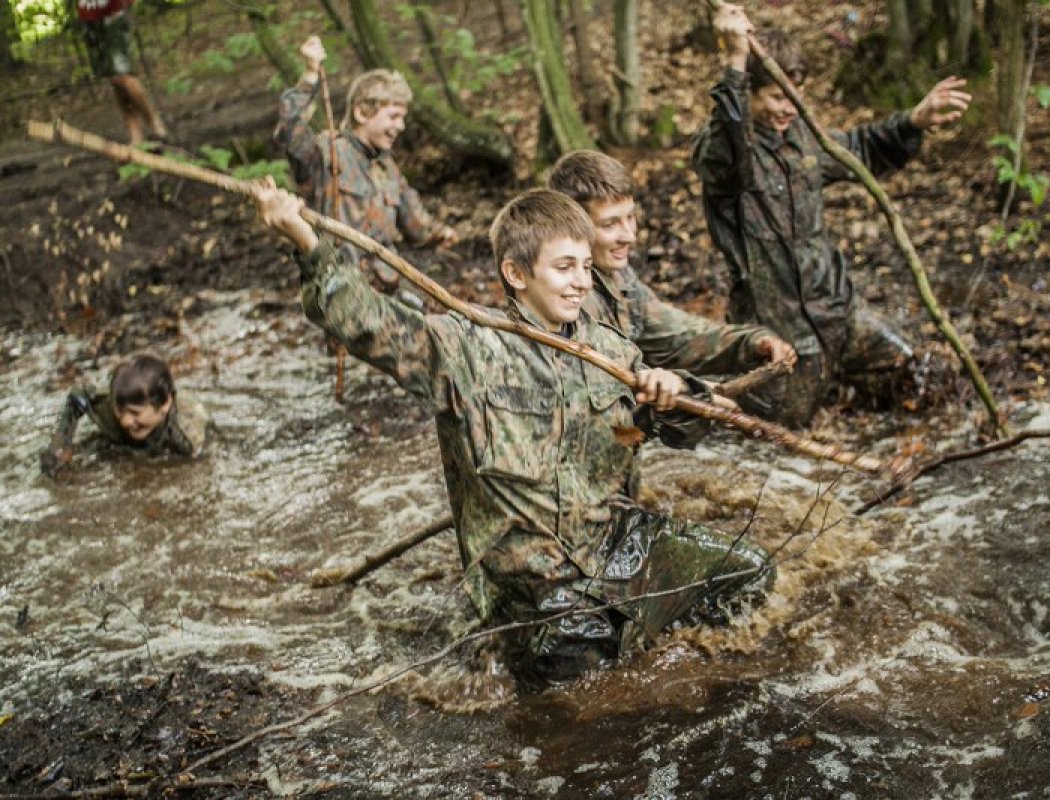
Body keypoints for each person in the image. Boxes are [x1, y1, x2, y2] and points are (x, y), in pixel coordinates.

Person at [253, 180, 771, 689]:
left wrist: (676, 391)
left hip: (618, 545)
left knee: (747, 574)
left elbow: (674, 432)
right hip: (534, 584)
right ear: (516, 273)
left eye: (587, 267)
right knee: (579, 681)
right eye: (565, 268)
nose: (582, 283)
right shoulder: (465, 349)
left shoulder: (612, 354)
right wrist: (306, 240)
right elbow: (365, 320)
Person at [692, 3, 972, 425]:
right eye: (774, 96)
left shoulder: (804, 140)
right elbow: (727, 146)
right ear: (748, 94)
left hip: (837, 313)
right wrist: (733, 62)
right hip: (778, 336)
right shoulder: (726, 155)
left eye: (794, 95)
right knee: (776, 434)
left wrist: (915, 120)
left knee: (917, 374)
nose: (788, 108)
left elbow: (859, 148)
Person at [547, 149, 797, 388]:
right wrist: (674, 385)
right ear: (572, 228)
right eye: (610, 224)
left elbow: (677, 336)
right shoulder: (566, 297)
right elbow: (599, 392)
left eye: (630, 218)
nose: (629, 236)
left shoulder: (617, 277)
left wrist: (751, 343)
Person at [274, 35, 458, 304]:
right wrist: (311, 75)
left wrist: (443, 234)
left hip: (387, 295)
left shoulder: (388, 166)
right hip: (343, 297)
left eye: (403, 117)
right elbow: (289, 134)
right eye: (394, 116)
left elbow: (416, 225)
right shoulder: (327, 154)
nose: (401, 126)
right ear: (362, 113)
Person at [40, 353, 208, 477]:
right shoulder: (104, 402)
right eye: (120, 411)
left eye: (135, 413)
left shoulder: (187, 430)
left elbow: (197, 462)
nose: (126, 421)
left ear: (164, 405)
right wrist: (61, 447)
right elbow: (76, 398)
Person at [75, 0, 168, 146]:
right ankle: (135, 133)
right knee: (114, 80)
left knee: (123, 76)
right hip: (90, 17)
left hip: (113, 15)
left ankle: (154, 122)